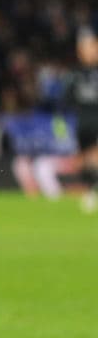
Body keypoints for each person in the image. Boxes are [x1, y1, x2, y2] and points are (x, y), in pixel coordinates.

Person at [65, 26, 98, 212]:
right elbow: (66, 98)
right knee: (84, 159)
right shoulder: (75, 74)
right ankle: (90, 190)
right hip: (83, 122)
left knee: (94, 155)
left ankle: (92, 190)